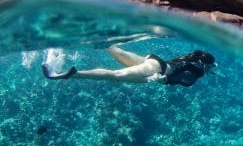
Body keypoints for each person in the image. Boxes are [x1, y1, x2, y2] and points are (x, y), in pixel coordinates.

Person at [42, 45, 217, 87]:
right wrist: (162, 78)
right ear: (206, 64)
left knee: (112, 48)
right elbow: (184, 75)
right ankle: (63, 74)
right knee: (114, 75)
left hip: (153, 60)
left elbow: (182, 64)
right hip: (156, 70)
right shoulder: (199, 70)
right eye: (211, 67)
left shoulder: (189, 57)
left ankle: (84, 33)